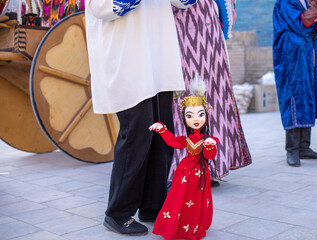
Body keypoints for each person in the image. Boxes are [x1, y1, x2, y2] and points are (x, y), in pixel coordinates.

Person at [85, 0, 197, 236]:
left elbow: (184, 2)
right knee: (137, 135)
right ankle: (118, 213)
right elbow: (102, 7)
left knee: (161, 134)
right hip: (127, 58)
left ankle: (153, 205)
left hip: (158, 58)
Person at [170, 0, 252, 185]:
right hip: (181, 27)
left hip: (209, 29)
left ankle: (209, 165)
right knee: (185, 95)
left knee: (211, 95)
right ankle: (185, 167)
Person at [150, 77, 217, 240]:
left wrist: (209, 145)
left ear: (206, 116)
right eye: (190, 115)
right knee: (179, 199)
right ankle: (179, 223)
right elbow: (172, 141)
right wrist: (162, 129)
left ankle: (194, 223)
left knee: (197, 201)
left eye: (200, 114)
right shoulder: (185, 139)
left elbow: (209, 155)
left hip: (200, 174)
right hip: (184, 173)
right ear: (185, 118)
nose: (196, 119)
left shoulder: (209, 140)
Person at [272, 0, 317, 167]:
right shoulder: (285, 2)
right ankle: (292, 149)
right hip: (291, 57)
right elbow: (300, 24)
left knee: (307, 96)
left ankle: (304, 147)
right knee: (293, 99)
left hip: (308, 55)